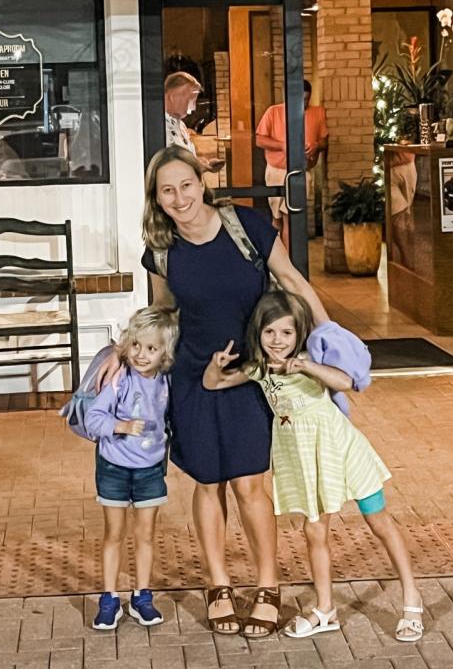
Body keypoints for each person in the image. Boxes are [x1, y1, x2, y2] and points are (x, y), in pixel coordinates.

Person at [98, 145, 330, 638]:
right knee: (208, 482)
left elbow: (291, 281)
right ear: (156, 199)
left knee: (250, 483)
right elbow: (162, 312)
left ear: (202, 183)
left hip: (249, 373)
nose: (179, 197)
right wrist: (119, 358)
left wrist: (330, 342)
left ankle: (268, 585)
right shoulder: (161, 250)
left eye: (186, 185)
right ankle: (218, 582)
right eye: (167, 190)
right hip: (192, 378)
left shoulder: (247, 228)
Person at [202, 290, 424, 642]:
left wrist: (305, 364)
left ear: (299, 334)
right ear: (258, 332)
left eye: (286, 333)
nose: (278, 341)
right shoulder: (260, 368)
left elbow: (346, 383)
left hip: (342, 452)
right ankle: (325, 610)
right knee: (314, 532)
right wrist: (215, 366)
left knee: (378, 520)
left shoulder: (308, 360)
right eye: (270, 332)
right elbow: (214, 384)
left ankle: (411, 600)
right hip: (306, 461)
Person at [84, 306, 180, 631]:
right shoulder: (120, 377)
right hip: (113, 467)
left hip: (150, 469)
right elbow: (93, 419)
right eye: (136, 345)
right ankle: (109, 598)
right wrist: (121, 426)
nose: (141, 354)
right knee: (114, 534)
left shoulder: (166, 381)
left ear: (164, 352)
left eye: (151, 349)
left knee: (146, 536)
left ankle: (142, 597)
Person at [255, 80, 329, 248]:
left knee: (291, 219)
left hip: (300, 173)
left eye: (306, 99)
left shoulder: (317, 113)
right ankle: (279, 261)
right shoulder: (273, 112)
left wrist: (316, 146)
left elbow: (324, 140)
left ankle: (290, 263)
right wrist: (283, 145)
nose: (303, 103)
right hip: (276, 171)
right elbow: (259, 140)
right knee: (277, 219)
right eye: (299, 99)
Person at [164, 72, 224, 174]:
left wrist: (202, 163)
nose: (193, 108)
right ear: (172, 96)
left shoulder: (181, 125)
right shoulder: (159, 127)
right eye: (190, 101)